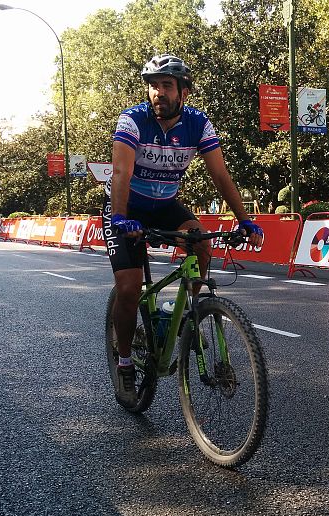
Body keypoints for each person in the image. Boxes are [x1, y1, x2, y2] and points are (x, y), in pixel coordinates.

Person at [104, 54, 264, 407]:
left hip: (165, 205)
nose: (158, 93)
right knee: (129, 288)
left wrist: (244, 219)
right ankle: (126, 361)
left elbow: (220, 175)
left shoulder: (198, 123)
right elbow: (120, 174)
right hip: (127, 208)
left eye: (166, 86)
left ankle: (192, 314)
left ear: (183, 92)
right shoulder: (132, 120)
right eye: (153, 86)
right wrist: (119, 217)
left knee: (201, 244)